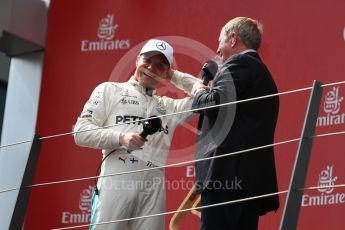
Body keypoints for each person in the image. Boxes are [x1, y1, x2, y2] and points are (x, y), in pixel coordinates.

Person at [73, 39, 200, 230]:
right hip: (116, 180)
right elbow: (80, 132)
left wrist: (173, 76)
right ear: (137, 61)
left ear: (166, 71)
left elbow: (207, 97)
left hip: (153, 188)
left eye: (159, 65)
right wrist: (120, 138)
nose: (150, 67)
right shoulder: (110, 90)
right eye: (147, 60)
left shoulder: (168, 107)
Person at [191, 17, 280, 229]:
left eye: (219, 41)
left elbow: (215, 103)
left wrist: (198, 93)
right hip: (245, 181)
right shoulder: (261, 73)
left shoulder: (238, 64)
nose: (217, 50)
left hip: (227, 177)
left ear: (233, 39)